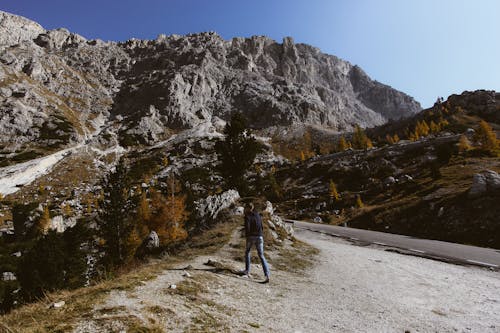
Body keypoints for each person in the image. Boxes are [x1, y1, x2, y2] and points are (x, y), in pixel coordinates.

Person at [241, 202, 270, 283]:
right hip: (260, 236)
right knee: (261, 255)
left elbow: (247, 227)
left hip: (251, 237)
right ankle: (267, 275)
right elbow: (261, 226)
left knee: (247, 252)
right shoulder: (258, 214)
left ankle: (247, 271)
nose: (244, 209)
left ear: (248, 208)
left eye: (245, 208)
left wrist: (247, 236)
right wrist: (260, 234)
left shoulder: (247, 216)